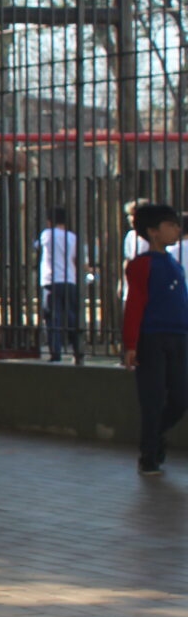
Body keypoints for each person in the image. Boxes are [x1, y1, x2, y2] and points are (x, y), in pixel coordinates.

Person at [122, 201, 188, 476]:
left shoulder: (174, 264)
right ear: (153, 231)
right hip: (152, 339)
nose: (176, 229)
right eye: (170, 225)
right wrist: (131, 344)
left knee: (181, 397)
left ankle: (155, 435)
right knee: (153, 398)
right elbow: (135, 304)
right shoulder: (142, 265)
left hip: (179, 337)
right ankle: (149, 454)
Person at [37, 205, 81, 362]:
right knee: (72, 317)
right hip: (69, 280)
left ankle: (55, 353)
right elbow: (76, 259)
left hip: (51, 280)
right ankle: (78, 351)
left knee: (52, 318)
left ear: (49, 221)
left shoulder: (46, 234)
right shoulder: (72, 237)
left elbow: (37, 247)